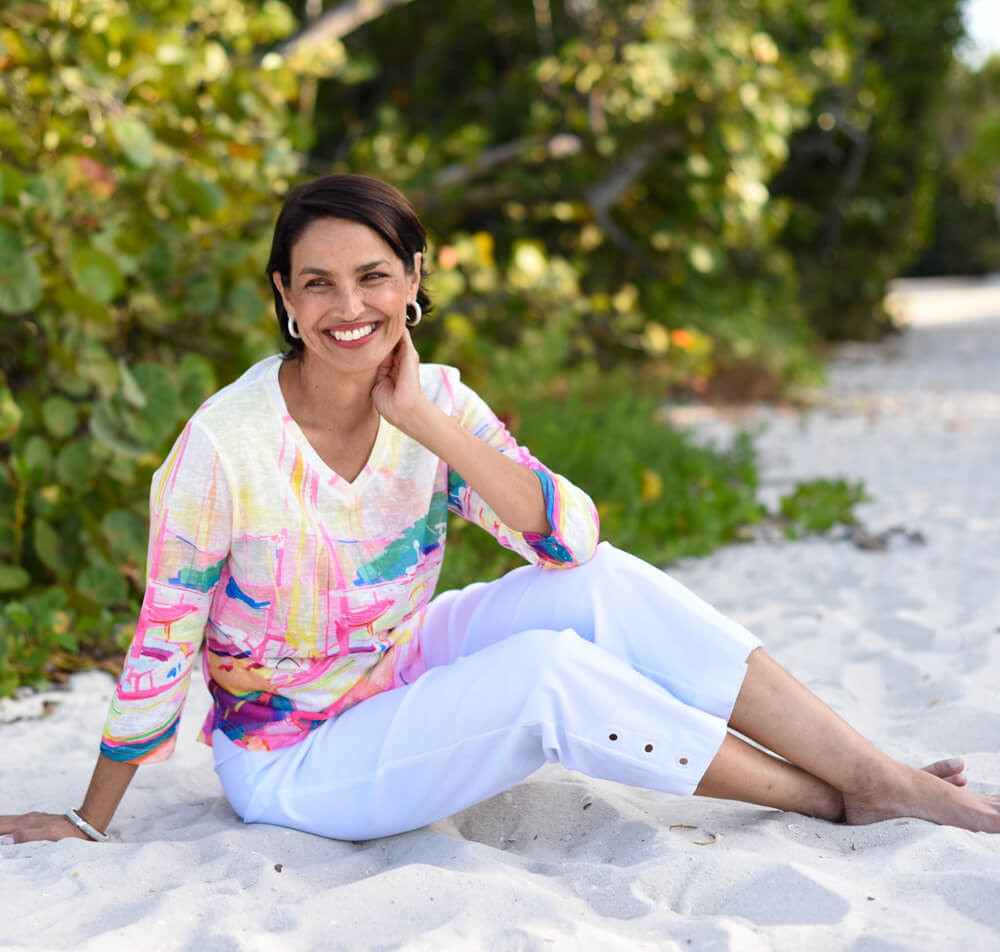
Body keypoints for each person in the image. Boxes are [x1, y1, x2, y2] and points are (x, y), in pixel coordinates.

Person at [2, 174, 998, 847]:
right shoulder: (224, 446)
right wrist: (90, 820)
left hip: (399, 659)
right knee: (545, 676)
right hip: (290, 754)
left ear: (414, 280)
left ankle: (870, 767)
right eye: (318, 284)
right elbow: (160, 644)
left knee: (598, 588)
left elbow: (568, 537)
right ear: (284, 298)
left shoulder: (436, 401)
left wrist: (428, 425)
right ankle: (839, 796)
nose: (349, 307)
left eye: (373, 277)